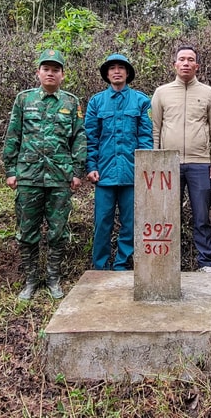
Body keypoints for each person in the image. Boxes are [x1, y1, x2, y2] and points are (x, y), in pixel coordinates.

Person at [3, 49, 86, 300]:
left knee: (57, 230)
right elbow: (13, 135)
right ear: (38, 72)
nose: (50, 73)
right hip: (28, 176)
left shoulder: (71, 103)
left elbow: (79, 138)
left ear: (62, 75)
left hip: (60, 177)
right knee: (27, 231)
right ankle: (30, 280)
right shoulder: (24, 99)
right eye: (46, 69)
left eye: (56, 70)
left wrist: (77, 171)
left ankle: (53, 278)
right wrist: (10, 170)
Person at [151, 45, 211, 272]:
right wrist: (154, 161)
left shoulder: (209, 93)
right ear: (174, 64)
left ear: (197, 65)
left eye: (190, 60)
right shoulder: (161, 92)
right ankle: (168, 261)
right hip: (168, 163)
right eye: (181, 59)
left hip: (200, 163)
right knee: (168, 214)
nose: (186, 63)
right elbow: (154, 128)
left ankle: (205, 262)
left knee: (201, 215)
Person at [85, 54, 153, 270]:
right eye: (112, 68)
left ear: (127, 73)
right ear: (106, 74)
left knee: (130, 222)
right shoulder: (96, 102)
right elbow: (91, 138)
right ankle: (100, 265)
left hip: (132, 174)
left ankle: (122, 264)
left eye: (121, 68)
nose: (117, 71)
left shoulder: (142, 101)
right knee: (102, 222)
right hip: (103, 174)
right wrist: (91, 166)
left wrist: (144, 169)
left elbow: (146, 138)